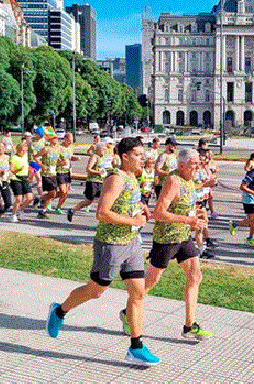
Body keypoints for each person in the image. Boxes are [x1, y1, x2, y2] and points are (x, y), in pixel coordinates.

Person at [45, 137, 160, 366]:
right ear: (125, 156)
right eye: (138, 154)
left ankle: (136, 347)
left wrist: (140, 208)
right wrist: (132, 220)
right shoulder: (116, 179)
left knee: (138, 293)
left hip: (131, 244)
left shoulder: (132, 177)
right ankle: (59, 311)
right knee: (95, 291)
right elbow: (102, 213)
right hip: (110, 245)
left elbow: (126, 204)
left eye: (143, 153)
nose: (143, 157)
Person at [123, 147, 212, 341]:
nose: (199, 166)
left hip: (183, 238)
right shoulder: (173, 181)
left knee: (195, 275)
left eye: (199, 162)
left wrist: (197, 213)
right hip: (166, 239)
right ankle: (127, 311)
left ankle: (190, 325)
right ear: (181, 165)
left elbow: (184, 205)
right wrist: (189, 221)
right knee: (149, 283)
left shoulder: (190, 181)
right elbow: (159, 213)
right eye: (194, 163)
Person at [230, 156, 254, 247]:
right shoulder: (251, 174)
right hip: (248, 199)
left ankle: (236, 226)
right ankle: (249, 238)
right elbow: (242, 187)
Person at [68, 142, 110, 221]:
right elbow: (88, 169)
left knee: (102, 200)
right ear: (98, 149)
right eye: (103, 149)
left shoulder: (103, 158)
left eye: (105, 149)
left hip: (101, 181)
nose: (105, 151)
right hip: (92, 181)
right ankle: (72, 210)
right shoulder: (94, 157)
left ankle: (102, 218)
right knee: (88, 201)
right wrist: (98, 172)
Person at [34, 135, 61, 219]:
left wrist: (62, 163)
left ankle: (43, 210)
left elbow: (58, 160)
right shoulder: (46, 149)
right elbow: (35, 157)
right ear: (50, 139)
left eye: (56, 137)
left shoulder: (57, 149)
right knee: (52, 193)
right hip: (47, 174)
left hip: (54, 174)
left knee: (52, 194)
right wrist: (42, 165)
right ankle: (40, 199)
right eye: (54, 138)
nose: (56, 139)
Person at [10, 142, 34, 222]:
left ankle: (21, 210)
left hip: (25, 178)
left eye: (25, 151)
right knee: (18, 199)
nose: (24, 152)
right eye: (22, 151)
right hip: (16, 178)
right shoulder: (14, 158)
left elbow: (28, 167)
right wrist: (18, 170)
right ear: (19, 150)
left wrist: (31, 174)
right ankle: (13, 214)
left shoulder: (25, 157)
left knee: (30, 198)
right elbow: (11, 170)